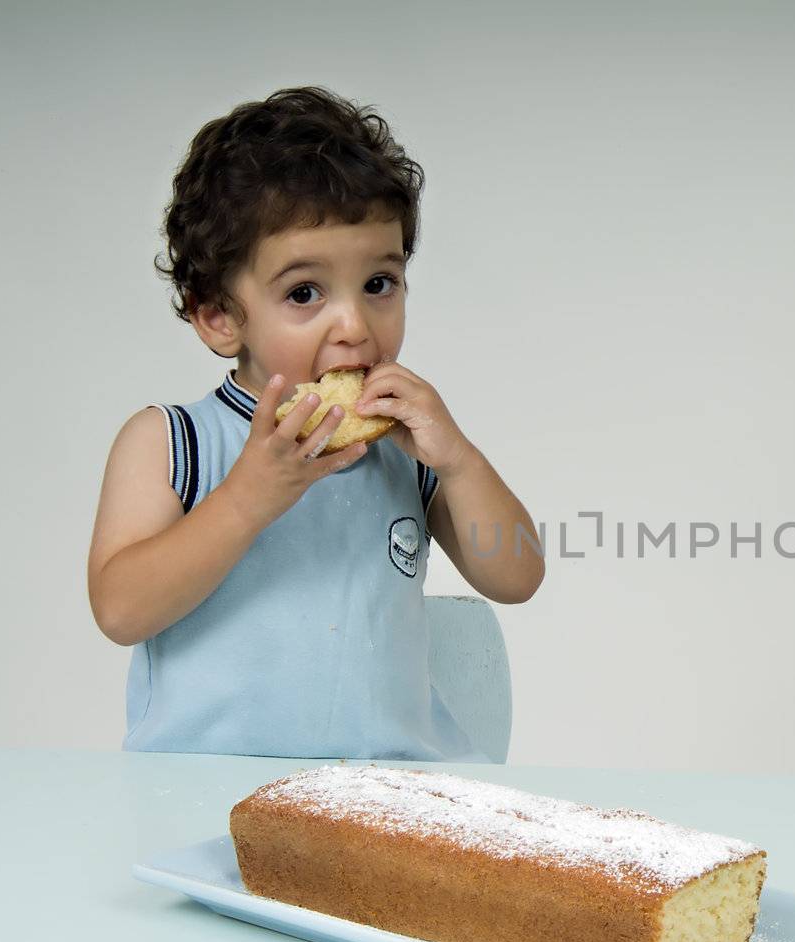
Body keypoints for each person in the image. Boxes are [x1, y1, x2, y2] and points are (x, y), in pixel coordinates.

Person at [87, 86, 544, 759]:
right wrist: (247, 498)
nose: (354, 326)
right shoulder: (173, 442)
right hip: (207, 792)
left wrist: (459, 461)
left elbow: (518, 574)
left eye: (379, 284)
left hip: (390, 794)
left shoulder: (406, 447)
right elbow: (121, 609)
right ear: (218, 315)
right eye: (305, 293)